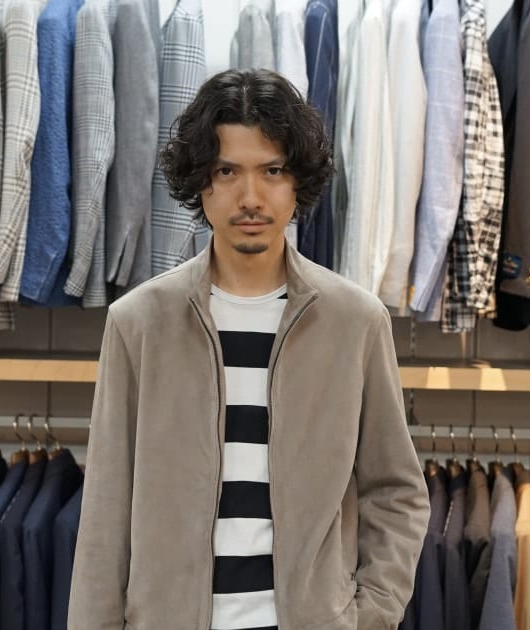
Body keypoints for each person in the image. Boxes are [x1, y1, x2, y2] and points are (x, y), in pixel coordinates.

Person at [68, 68, 430, 630]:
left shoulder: (356, 322)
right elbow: (106, 512)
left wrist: (369, 614)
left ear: (297, 181)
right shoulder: (138, 323)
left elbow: (396, 491)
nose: (251, 197)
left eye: (272, 171)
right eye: (227, 171)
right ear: (201, 181)